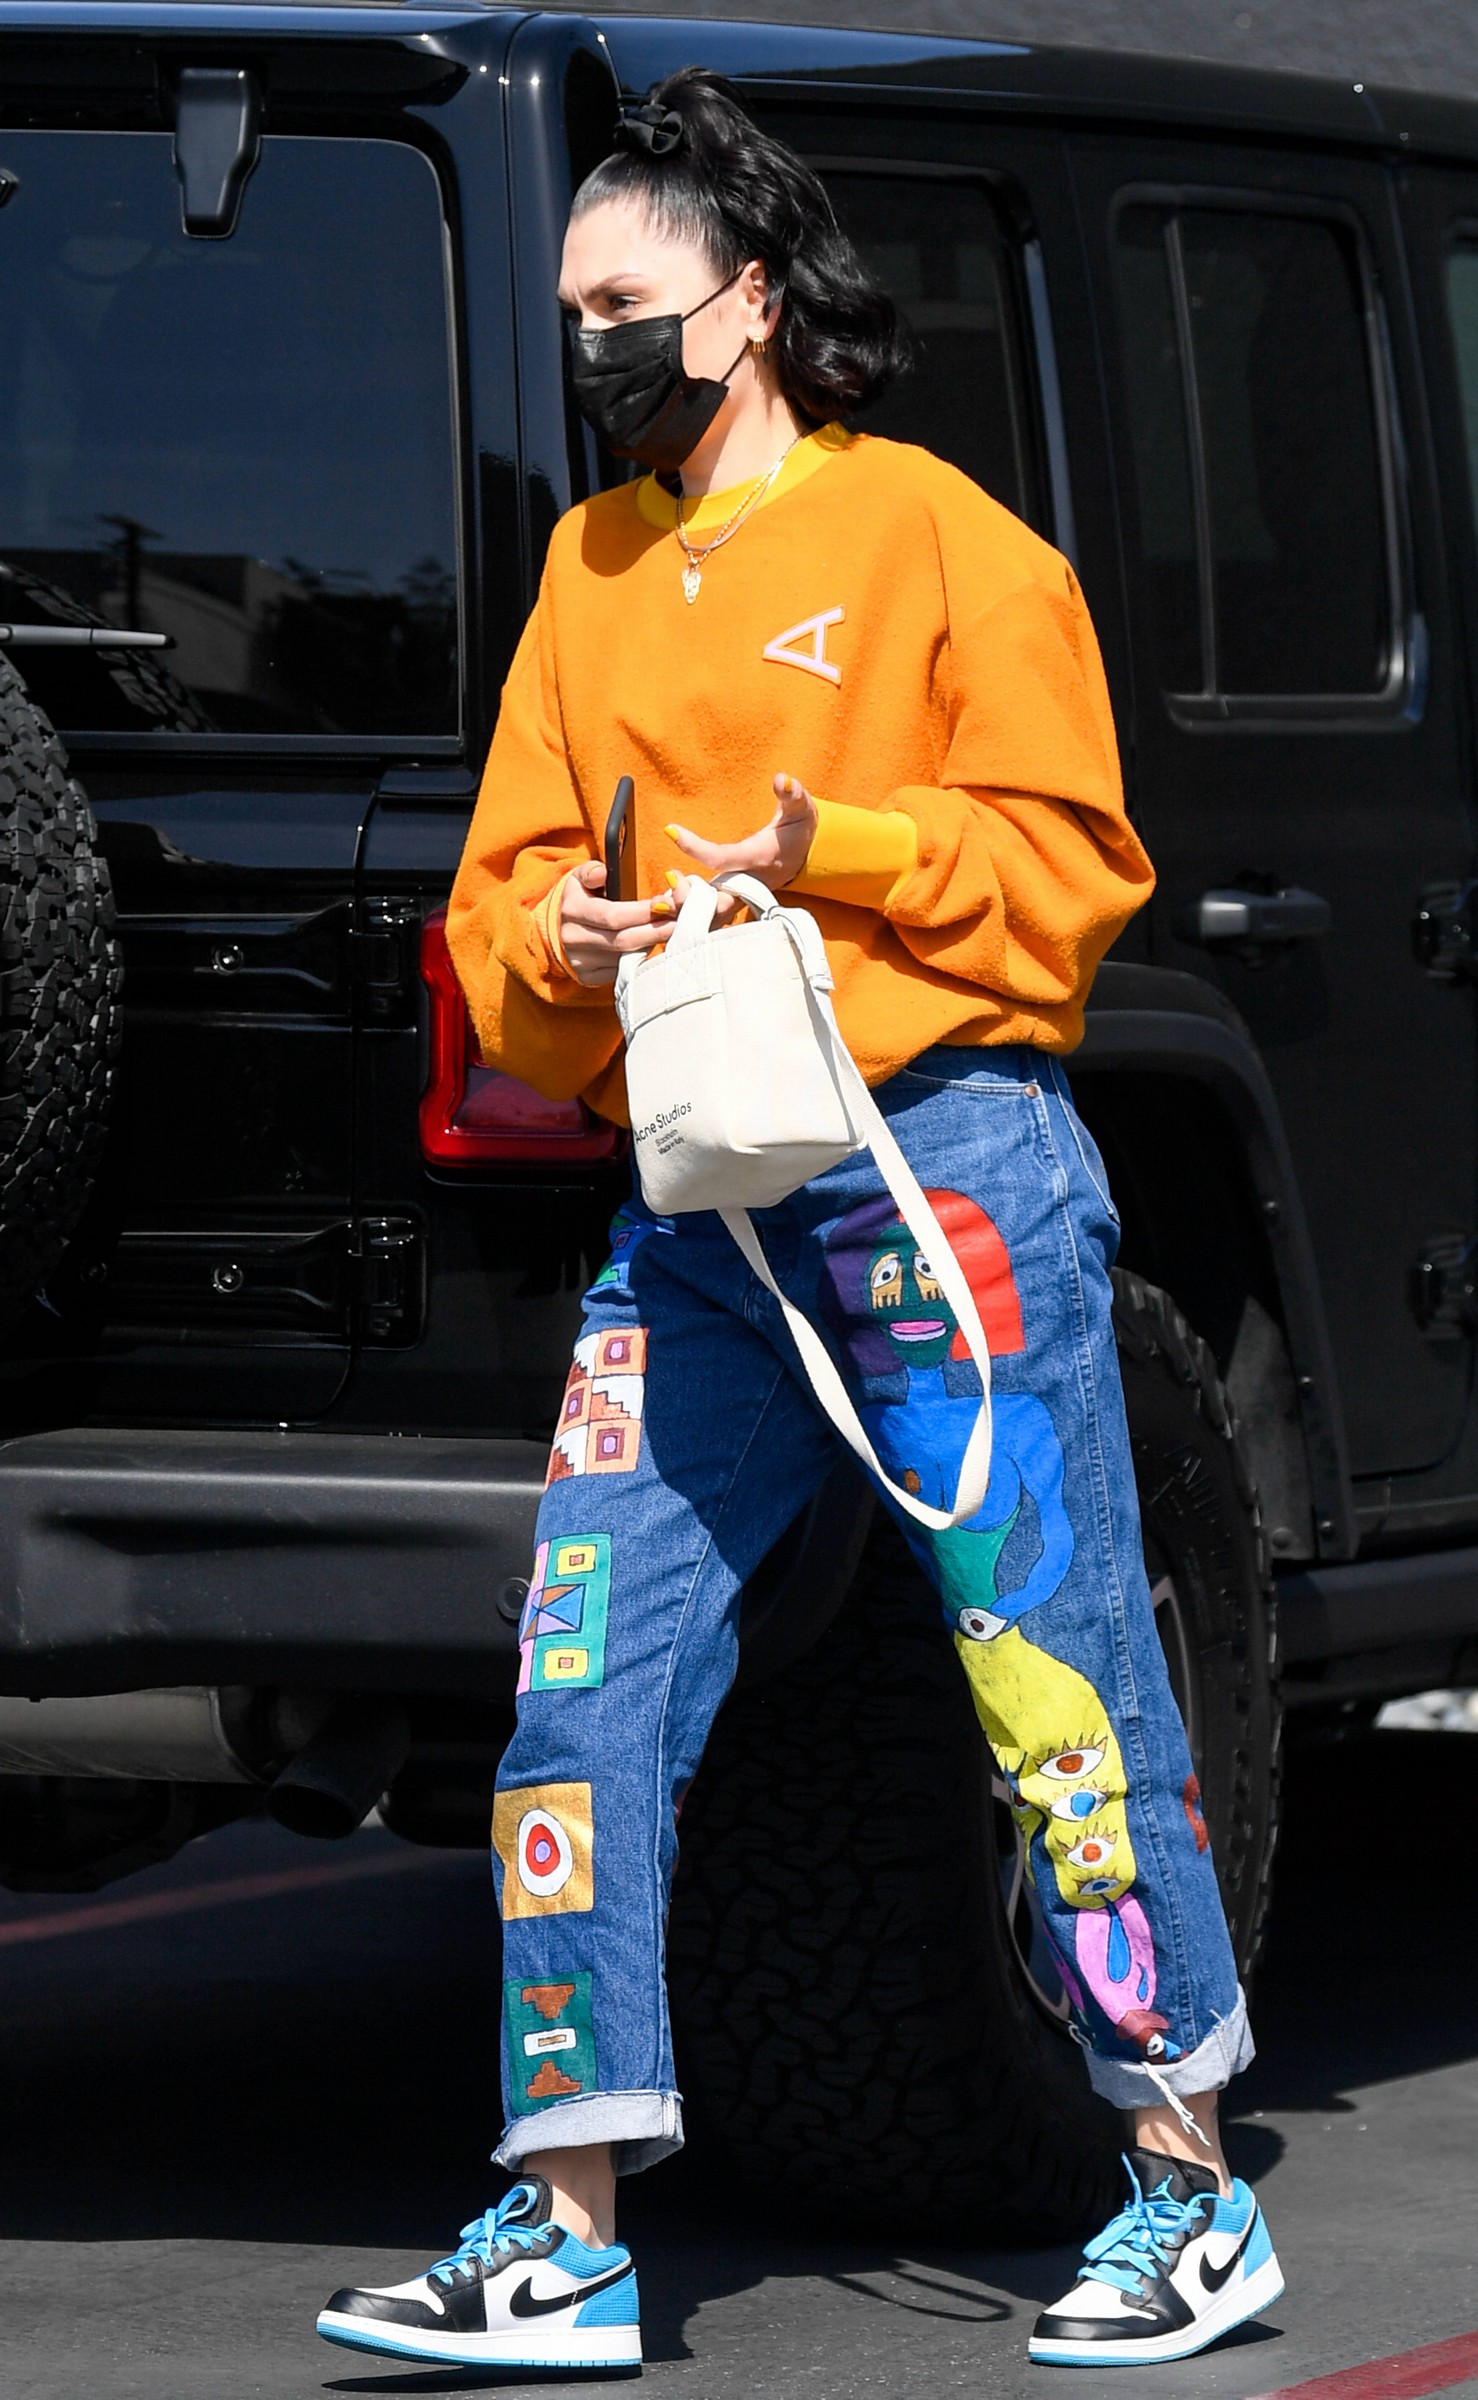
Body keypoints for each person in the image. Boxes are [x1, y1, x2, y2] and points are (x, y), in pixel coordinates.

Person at [315, 68, 1283, 2375]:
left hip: (943, 1177)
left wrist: (819, 846)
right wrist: (556, 941)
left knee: (1050, 1671)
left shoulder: (937, 540)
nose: (590, 345)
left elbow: (1072, 867)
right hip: (698, 1214)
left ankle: (1188, 2192)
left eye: (621, 303)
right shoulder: (587, 573)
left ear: (744, 304)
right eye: (570, 311)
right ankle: (564, 2229)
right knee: (578, 1684)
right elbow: (497, 897)